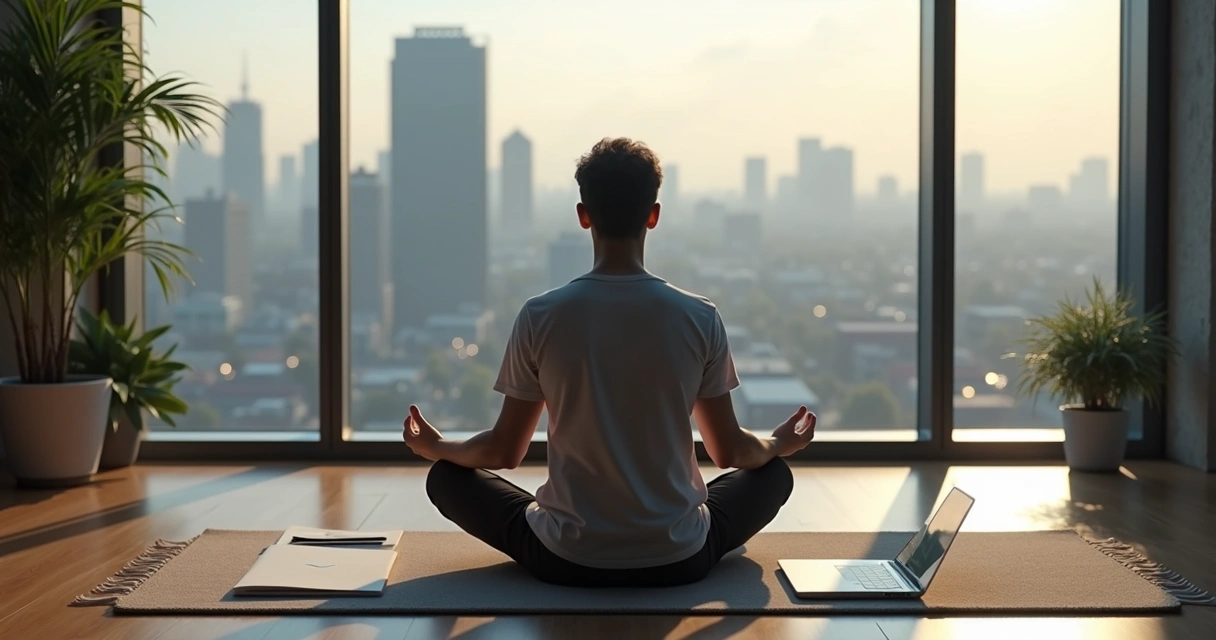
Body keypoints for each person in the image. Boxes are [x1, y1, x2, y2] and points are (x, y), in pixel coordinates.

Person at [403, 137, 816, 587]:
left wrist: (437, 448)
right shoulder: (699, 316)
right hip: (679, 558)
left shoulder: (541, 315)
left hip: (564, 558)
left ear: (584, 216)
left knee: (446, 478)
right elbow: (729, 452)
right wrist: (777, 444)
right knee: (772, 475)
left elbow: (505, 452)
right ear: (653, 215)